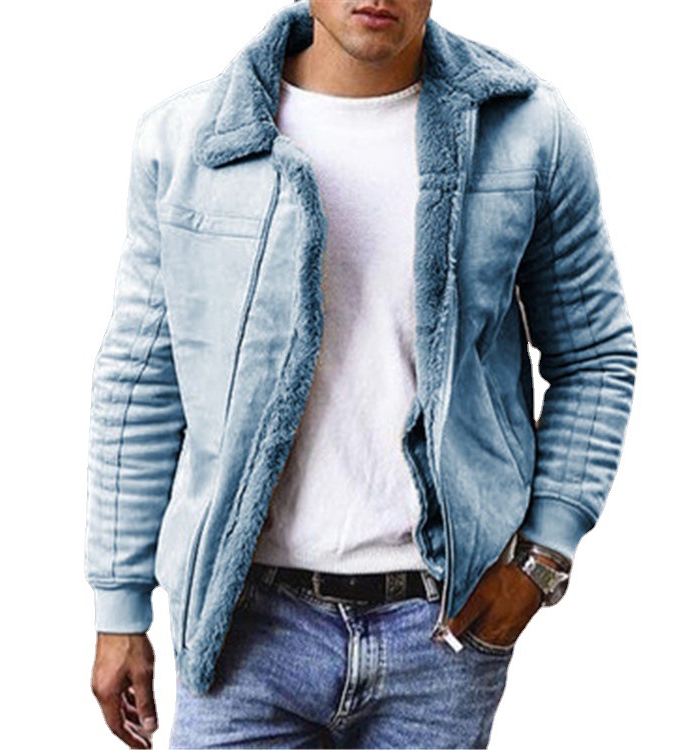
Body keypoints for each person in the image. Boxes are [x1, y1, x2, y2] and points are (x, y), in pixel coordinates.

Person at [85, 1, 638, 748]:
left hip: (441, 632)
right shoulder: (191, 140)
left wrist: (542, 558)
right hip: (243, 628)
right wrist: (119, 607)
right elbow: (141, 380)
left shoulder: (528, 130)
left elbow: (595, 353)